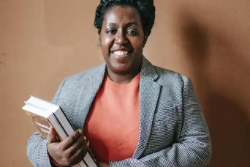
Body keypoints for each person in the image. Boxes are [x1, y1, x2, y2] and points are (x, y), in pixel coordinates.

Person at [27, 0, 212, 166]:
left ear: (144, 36)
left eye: (131, 31)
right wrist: (51, 155)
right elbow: (36, 141)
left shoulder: (177, 86)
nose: (121, 39)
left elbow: (199, 148)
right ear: (100, 36)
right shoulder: (72, 86)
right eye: (111, 30)